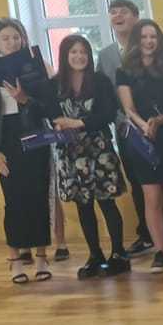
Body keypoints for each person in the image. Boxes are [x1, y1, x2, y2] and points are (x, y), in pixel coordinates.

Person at [0, 18, 55, 283]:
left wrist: (24, 99)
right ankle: (15, 260)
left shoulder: (33, 67)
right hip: (5, 138)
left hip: (34, 135)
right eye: (6, 38)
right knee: (14, 200)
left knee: (39, 196)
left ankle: (41, 257)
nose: (12, 42)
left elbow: (49, 108)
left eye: (16, 37)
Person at [47, 33, 131, 279]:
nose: (79, 56)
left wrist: (78, 122)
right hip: (70, 152)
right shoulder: (54, 84)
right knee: (83, 205)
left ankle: (119, 254)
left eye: (83, 52)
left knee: (107, 201)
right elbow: (49, 113)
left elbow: (108, 113)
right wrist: (57, 124)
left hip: (98, 149)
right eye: (74, 52)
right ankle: (95, 255)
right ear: (65, 55)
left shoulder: (100, 80)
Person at [117, 18, 163, 273]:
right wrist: (143, 125)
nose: (149, 41)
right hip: (141, 139)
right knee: (152, 198)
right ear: (136, 40)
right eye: (144, 37)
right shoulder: (124, 70)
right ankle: (161, 250)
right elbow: (128, 108)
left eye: (153, 37)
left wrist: (159, 121)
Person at [95, 0, 155, 256]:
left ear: (136, 16)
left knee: (160, 181)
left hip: (154, 123)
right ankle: (147, 234)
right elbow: (101, 92)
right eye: (113, 12)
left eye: (123, 12)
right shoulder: (106, 55)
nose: (117, 16)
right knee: (137, 181)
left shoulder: (149, 46)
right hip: (124, 128)